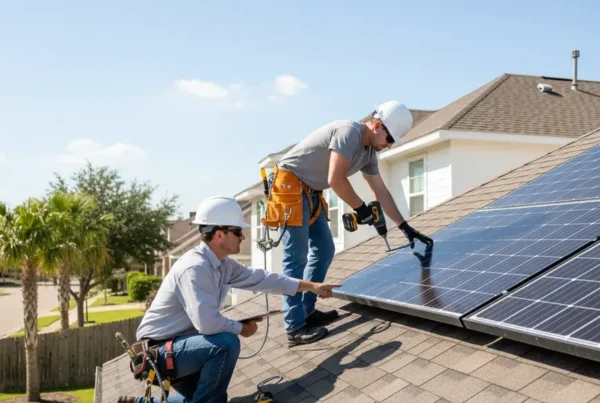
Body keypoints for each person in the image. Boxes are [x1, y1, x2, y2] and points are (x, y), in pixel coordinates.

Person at [117, 196, 341, 403]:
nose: (243, 236)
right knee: (226, 343)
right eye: (237, 231)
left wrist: (312, 286)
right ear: (219, 234)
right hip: (158, 353)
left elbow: (264, 279)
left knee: (210, 399)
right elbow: (207, 324)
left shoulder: (223, 264)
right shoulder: (194, 268)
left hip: (181, 347)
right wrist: (240, 328)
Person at [261, 100, 434, 345]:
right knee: (296, 257)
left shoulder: (369, 153)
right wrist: (360, 209)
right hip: (289, 186)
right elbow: (335, 178)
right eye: (390, 138)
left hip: (310, 191)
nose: (389, 145)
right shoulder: (349, 133)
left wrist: (405, 227)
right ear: (376, 126)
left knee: (324, 249)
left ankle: (307, 311)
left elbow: (381, 192)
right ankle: (294, 326)